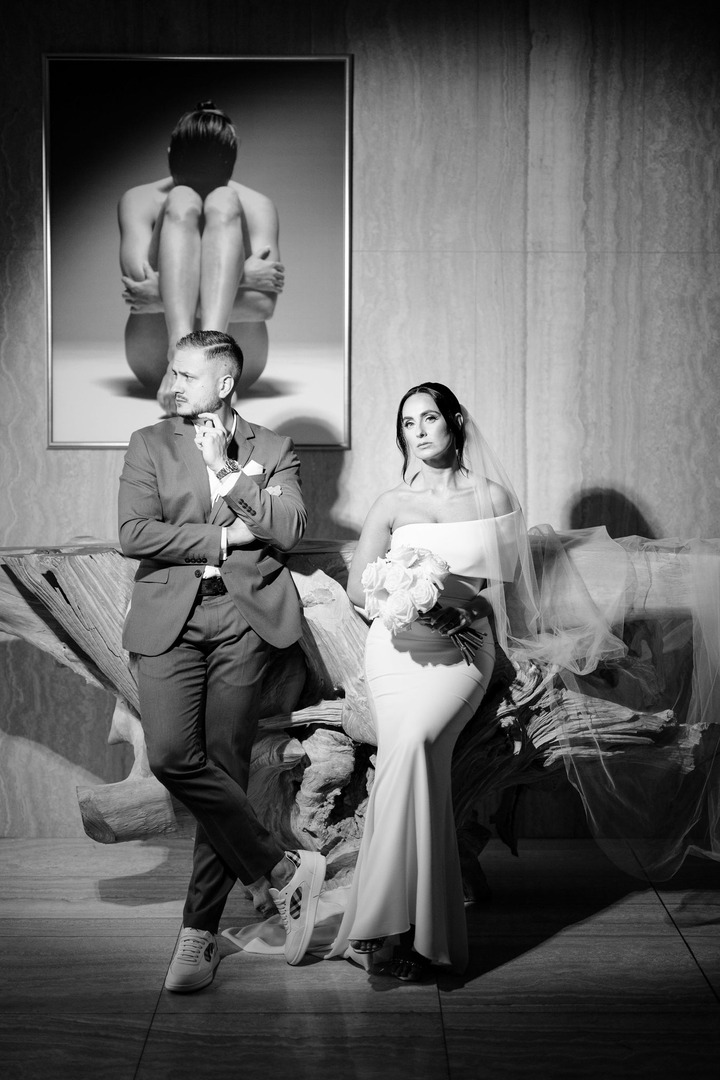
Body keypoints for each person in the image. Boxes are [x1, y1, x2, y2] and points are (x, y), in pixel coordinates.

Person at [118, 329, 325, 992]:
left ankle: (198, 934)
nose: (173, 383)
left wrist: (232, 473)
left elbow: (289, 529)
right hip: (170, 618)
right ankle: (281, 866)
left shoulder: (272, 448)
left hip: (244, 621)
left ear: (226, 382)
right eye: (172, 371)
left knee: (227, 766)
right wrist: (225, 534)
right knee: (172, 757)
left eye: (187, 374)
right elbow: (134, 532)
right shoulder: (149, 443)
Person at [326, 381, 542, 980]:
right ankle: (408, 932)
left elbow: (503, 590)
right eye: (407, 423)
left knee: (418, 744)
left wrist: (461, 607)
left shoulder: (493, 497)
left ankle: (390, 927)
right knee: (407, 748)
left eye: (428, 418)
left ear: (454, 422)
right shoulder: (391, 504)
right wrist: (408, 600)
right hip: (396, 647)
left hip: (464, 646)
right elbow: (357, 588)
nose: (418, 431)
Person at [118, 102, 284, 414]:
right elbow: (140, 294)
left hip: (235, 367)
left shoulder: (257, 205)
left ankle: (207, 352)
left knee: (224, 200)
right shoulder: (138, 201)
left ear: (170, 153)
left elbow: (263, 306)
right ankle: (178, 354)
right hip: (155, 361)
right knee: (181, 199)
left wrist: (168, 291)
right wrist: (242, 276)